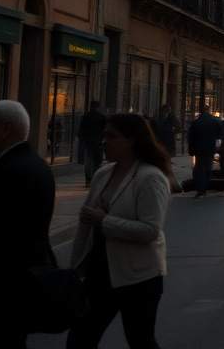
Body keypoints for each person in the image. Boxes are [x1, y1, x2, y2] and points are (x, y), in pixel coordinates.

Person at [66, 114, 173, 349]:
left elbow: (150, 230)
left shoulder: (150, 177)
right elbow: (86, 224)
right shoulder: (103, 174)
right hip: (99, 274)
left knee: (140, 341)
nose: (104, 141)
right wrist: (74, 270)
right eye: (104, 135)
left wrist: (105, 221)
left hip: (138, 277)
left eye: (111, 136)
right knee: (80, 339)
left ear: (131, 140)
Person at [0, 100, 56, 348]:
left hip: (3, 289)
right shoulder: (30, 163)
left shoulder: (13, 170)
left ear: (6, 129)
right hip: (16, 283)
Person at [185, 107, 223, 198]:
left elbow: (191, 138)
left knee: (199, 168)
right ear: (209, 111)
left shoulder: (196, 122)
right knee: (207, 167)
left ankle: (201, 190)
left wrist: (191, 151)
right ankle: (205, 184)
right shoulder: (215, 121)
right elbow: (219, 135)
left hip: (199, 149)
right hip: (210, 149)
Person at [78, 101, 108, 187]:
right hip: (99, 144)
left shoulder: (85, 117)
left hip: (88, 143)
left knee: (88, 163)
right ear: (98, 107)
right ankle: (95, 179)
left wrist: (83, 139)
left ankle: (88, 179)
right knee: (97, 163)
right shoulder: (102, 117)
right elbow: (105, 131)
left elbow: (81, 131)